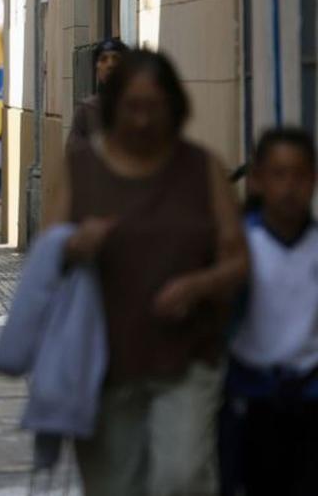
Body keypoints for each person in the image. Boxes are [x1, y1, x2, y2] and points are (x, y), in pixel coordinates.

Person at [48, 50, 248, 495]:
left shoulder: (203, 169)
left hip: (187, 357)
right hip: (102, 364)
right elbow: (48, 255)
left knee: (181, 478)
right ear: (113, 107)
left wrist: (201, 284)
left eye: (153, 107)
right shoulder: (81, 171)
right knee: (114, 486)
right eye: (131, 107)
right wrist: (75, 245)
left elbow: (238, 258)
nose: (141, 120)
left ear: (174, 107)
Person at [222, 128, 318, 495]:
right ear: (259, 180)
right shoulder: (240, 245)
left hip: (309, 398)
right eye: (279, 174)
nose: (290, 187)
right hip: (250, 399)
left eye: (299, 175)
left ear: (313, 179)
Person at [69, 37, 129, 149]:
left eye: (116, 59)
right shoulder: (86, 111)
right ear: (97, 67)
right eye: (104, 59)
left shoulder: (138, 107)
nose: (110, 65)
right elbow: (74, 155)